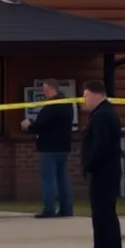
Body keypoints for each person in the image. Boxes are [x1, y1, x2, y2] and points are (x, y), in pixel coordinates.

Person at [78, 80, 125, 248]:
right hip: (105, 172)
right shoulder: (102, 113)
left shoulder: (102, 116)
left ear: (95, 95)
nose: (83, 100)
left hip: (104, 173)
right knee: (102, 218)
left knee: (104, 218)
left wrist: (89, 165)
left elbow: (100, 145)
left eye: (85, 96)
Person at [20, 79, 74, 218]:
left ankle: (49, 209)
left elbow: (42, 125)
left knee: (48, 179)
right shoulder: (68, 105)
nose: (43, 93)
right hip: (64, 146)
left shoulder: (51, 106)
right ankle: (66, 208)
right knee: (62, 178)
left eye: (45, 89)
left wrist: (29, 126)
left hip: (49, 147)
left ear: (52, 88)